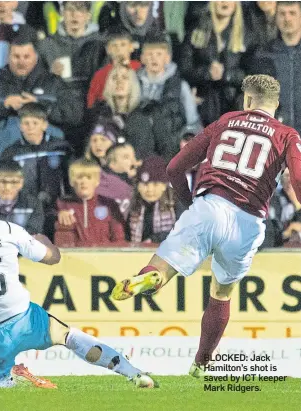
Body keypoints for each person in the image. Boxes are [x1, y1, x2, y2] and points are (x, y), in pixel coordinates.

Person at [111, 75, 301, 377]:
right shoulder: (287, 134)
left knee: (162, 268)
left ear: (247, 100)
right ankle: (201, 362)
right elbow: (299, 180)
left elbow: (175, 167)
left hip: (210, 207)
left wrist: (188, 204)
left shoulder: (225, 121)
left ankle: (150, 278)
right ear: (275, 105)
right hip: (249, 222)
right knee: (221, 293)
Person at [0, 172, 156, 388]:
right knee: (68, 336)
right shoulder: (9, 230)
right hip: (22, 319)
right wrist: (45, 241)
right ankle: (133, 373)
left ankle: (8, 378)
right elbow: (52, 258)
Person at [0, 36, 84, 164]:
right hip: (1, 164)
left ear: (36, 57)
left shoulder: (54, 83)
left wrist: (40, 106)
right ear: (8, 57)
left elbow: (75, 115)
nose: (21, 62)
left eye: (26, 57)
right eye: (16, 57)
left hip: (49, 161)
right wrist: (4, 106)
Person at [180, 1, 253, 125]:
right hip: (203, 101)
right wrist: (207, 73)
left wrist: (227, 75)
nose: (224, 2)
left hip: (235, 102)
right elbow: (184, 68)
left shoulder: (248, 35)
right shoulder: (196, 31)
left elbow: (254, 74)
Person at [0, 103, 71, 208]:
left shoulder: (61, 148)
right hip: (25, 207)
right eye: (26, 123)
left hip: (58, 208)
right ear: (20, 125)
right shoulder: (11, 153)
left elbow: (71, 179)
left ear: (45, 125)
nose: (30, 128)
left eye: (35, 123)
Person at [250, 1, 301, 135]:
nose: (287, 18)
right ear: (275, 17)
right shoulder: (263, 54)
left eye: (292, 13)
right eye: (282, 14)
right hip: (277, 138)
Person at [55, 159, 126, 247]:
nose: (83, 182)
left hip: (104, 256)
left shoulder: (108, 204)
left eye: (89, 178)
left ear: (96, 181)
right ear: (72, 182)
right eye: (79, 178)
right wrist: (59, 214)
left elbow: (119, 237)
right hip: (76, 257)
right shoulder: (63, 205)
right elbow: (61, 241)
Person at [127, 156, 176, 244]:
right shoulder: (133, 205)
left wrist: (154, 240)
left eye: (155, 184)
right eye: (145, 184)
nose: (150, 190)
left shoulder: (176, 204)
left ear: (164, 185)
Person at [87, 30, 141, 108]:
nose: (118, 49)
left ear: (131, 47)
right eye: (114, 45)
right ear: (108, 50)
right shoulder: (100, 74)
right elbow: (91, 102)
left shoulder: (140, 69)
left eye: (123, 45)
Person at [0, 161, 45, 234]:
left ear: (21, 183)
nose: (7, 187)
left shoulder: (33, 205)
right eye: (2, 181)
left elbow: (34, 234)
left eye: (14, 182)